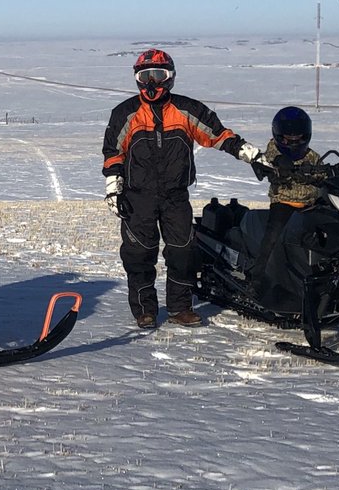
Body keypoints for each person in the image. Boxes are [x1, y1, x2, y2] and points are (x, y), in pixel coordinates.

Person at [102, 49, 264, 329]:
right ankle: (144, 310)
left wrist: (248, 152)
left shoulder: (187, 110)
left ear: (171, 77)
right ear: (137, 79)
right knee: (139, 253)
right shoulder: (125, 113)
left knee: (183, 252)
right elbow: (113, 152)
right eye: (145, 76)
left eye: (158, 75)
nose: (152, 82)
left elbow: (218, 135)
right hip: (137, 196)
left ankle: (180, 308)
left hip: (175, 196)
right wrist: (113, 187)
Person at [246, 106, 323, 297]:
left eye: (299, 138)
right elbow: (266, 163)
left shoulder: (312, 156)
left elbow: (323, 174)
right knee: (272, 237)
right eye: (289, 138)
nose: (294, 142)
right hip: (284, 203)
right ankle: (257, 279)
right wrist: (277, 167)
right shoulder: (273, 152)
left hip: (311, 205)